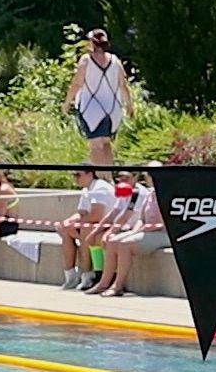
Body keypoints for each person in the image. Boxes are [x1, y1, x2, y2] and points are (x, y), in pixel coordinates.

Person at [87, 168, 163, 297]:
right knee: (111, 241)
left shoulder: (143, 193)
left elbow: (128, 217)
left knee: (124, 244)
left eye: (126, 177)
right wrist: (98, 231)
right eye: (120, 178)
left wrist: (132, 232)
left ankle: (118, 286)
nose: (122, 180)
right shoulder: (149, 194)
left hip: (160, 232)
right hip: (141, 229)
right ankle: (103, 283)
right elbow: (138, 218)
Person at [65, 29, 131, 166]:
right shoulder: (115, 60)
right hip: (113, 109)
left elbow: (77, 84)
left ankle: (99, 175)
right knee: (106, 144)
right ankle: (109, 175)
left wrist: (66, 103)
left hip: (91, 109)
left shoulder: (86, 60)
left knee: (95, 145)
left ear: (92, 43)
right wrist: (129, 105)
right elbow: (123, 85)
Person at [58, 167, 119, 290]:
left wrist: (77, 223)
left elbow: (97, 215)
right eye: (74, 175)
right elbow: (82, 213)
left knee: (86, 230)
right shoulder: (87, 189)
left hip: (109, 225)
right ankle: (70, 275)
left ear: (90, 174)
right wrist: (69, 222)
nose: (75, 178)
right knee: (65, 229)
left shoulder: (99, 188)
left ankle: (87, 274)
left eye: (78, 175)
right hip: (96, 224)